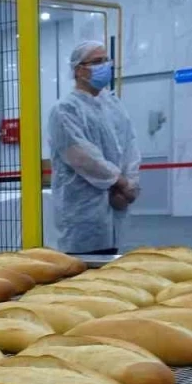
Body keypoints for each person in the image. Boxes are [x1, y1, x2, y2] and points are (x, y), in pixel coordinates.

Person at [48, 41, 141, 255]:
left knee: (112, 260)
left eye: (106, 60)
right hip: (83, 209)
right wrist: (121, 182)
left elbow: (130, 146)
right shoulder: (65, 110)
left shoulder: (113, 105)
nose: (105, 66)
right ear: (79, 70)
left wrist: (131, 183)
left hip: (116, 205)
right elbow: (82, 157)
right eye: (97, 61)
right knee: (83, 265)